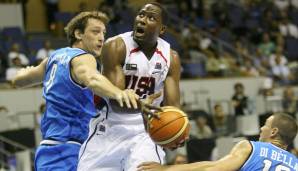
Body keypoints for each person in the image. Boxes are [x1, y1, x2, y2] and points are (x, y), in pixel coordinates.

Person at [11, 11, 139, 171]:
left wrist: (22, 73)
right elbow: (91, 78)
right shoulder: (84, 58)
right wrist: (119, 93)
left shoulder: (53, 58)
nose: (101, 37)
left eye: (104, 33)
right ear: (78, 34)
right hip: (68, 150)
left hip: (51, 150)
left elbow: (18, 81)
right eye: (95, 31)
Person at [78, 2, 184, 171]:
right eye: (141, 15)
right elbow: (116, 102)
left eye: (151, 18)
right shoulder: (116, 46)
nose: (142, 20)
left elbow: (173, 107)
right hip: (110, 128)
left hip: (146, 132)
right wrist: (142, 105)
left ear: (162, 29)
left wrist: (178, 130)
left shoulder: (171, 57)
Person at [137, 113, 298, 171]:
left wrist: (166, 169)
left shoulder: (250, 147)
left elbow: (213, 168)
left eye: (266, 125)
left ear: (274, 132)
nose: (262, 128)